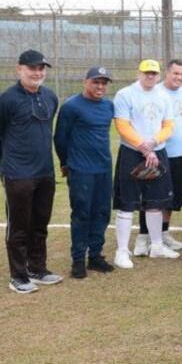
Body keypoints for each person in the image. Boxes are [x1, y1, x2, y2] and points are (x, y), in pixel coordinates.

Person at [0, 49, 61, 293]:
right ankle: (18, 276)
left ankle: (37, 268)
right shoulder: (7, 99)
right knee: (18, 226)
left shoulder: (50, 97)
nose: (37, 73)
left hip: (45, 172)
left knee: (40, 223)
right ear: (19, 69)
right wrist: (10, 158)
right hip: (17, 175)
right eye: (32, 68)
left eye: (41, 68)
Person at [111, 59, 177, 268]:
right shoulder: (125, 94)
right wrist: (143, 146)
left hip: (157, 152)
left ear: (158, 75)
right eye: (146, 73)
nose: (150, 76)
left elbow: (168, 125)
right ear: (139, 73)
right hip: (133, 153)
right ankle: (122, 251)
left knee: (155, 202)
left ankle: (156, 246)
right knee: (127, 203)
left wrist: (154, 142)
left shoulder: (164, 96)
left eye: (153, 73)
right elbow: (122, 125)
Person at [54, 66, 116, 279]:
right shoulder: (71, 107)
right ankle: (78, 260)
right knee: (82, 213)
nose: (100, 86)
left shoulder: (109, 106)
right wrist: (66, 163)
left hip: (104, 169)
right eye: (95, 82)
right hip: (81, 170)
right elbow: (60, 138)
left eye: (103, 83)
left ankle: (96, 256)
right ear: (85, 82)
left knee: (102, 212)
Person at [146, 59, 182, 243]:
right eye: (176, 73)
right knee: (156, 197)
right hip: (161, 153)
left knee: (173, 198)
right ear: (167, 72)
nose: (179, 77)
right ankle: (150, 236)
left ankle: (164, 233)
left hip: (180, 153)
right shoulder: (156, 92)